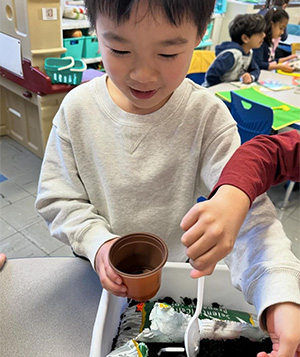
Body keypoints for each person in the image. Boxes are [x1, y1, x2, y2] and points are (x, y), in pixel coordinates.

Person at [35, 1, 300, 355]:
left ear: (200, 36)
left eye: (169, 52)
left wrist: (279, 291)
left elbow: (247, 217)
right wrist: (97, 242)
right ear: (94, 29)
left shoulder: (207, 117)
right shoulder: (76, 109)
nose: (143, 75)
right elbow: (58, 198)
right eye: (119, 49)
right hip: (99, 285)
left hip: (180, 279)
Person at [202, 13, 265, 87]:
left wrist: (250, 76)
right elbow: (211, 75)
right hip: (213, 91)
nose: (264, 35)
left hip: (231, 89)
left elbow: (256, 70)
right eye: (260, 33)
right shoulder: (231, 55)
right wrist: (221, 88)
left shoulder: (249, 52)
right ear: (245, 38)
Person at [253, 7, 297, 72]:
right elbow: (258, 64)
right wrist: (280, 66)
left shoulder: (269, 41)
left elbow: (269, 61)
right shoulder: (260, 42)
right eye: (281, 28)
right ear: (272, 24)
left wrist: (286, 59)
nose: (282, 32)